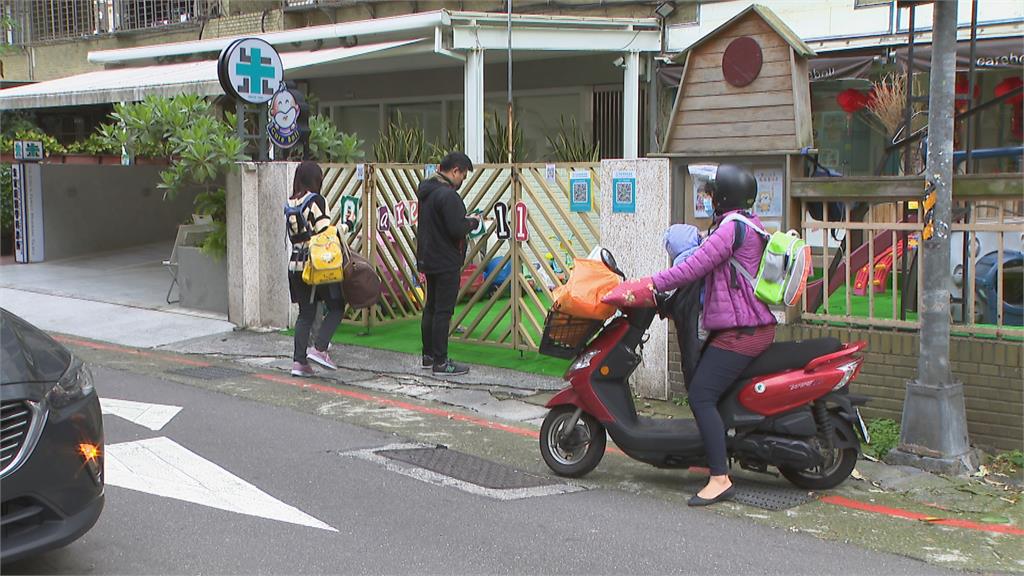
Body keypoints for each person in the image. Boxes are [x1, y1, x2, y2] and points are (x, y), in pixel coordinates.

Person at [608, 165, 776, 506]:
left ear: (724, 197)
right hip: (750, 326)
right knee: (709, 388)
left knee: (700, 394)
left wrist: (650, 283)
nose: (709, 199)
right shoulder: (750, 224)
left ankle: (719, 477)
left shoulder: (730, 229)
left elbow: (694, 266)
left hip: (742, 330)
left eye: (712, 194)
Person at [416, 152, 480, 376]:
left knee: (431, 308)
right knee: (443, 311)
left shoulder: (426, 191)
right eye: (463, 175)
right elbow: (456, 228)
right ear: (455, 171)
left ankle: (428, 355)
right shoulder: (448, 195)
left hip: (428, 257)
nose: (462, 180)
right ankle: (441, 362)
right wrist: (472, 222)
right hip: (445, 260)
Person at [285, 161, 348, 377]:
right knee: (337, 305)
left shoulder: (291, 202)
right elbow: (324, 234)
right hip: (315, 267)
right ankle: (320, 348)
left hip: (295, 264)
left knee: (305, 314)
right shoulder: (316, 201)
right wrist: (345, 227)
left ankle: (299, 362)